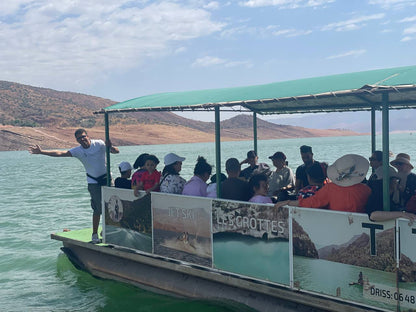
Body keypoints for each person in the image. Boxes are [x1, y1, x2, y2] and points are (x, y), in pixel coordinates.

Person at [28, 128, 119, 243]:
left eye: (83, 136)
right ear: (77, 140)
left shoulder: (99, 144)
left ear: (88, 136)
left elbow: (116, 151)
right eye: (79, 138)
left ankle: (108, 231)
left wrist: (110, 147)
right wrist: (42, 152)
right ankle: (95, 234)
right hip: (93, 182)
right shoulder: (78, 151)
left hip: (107, 180)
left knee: (112, 206)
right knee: (97, 209)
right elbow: (60, 153)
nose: (82, 139)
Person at [276, 154, 371, 213]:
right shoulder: (366, 189)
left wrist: (288, 202)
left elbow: (311, 202)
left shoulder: (331, 189)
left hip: (336, 226)